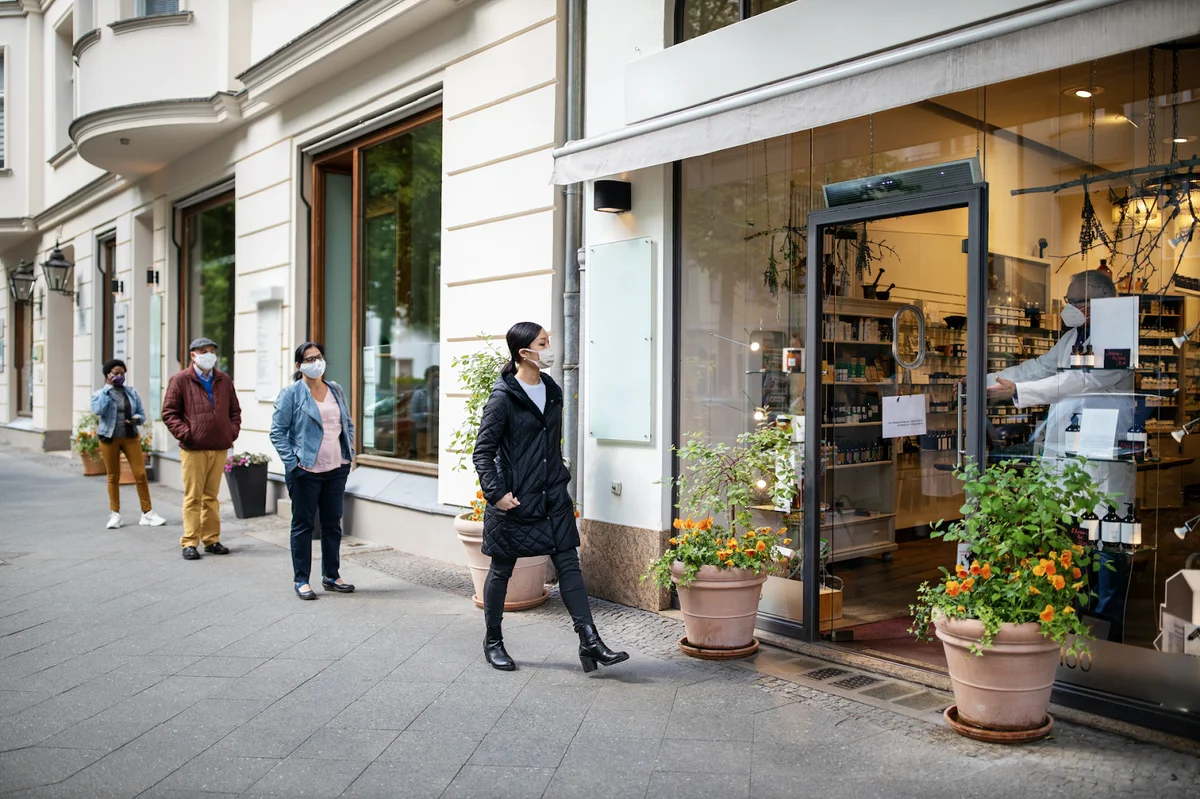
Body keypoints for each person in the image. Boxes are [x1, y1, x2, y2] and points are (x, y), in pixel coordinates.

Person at [473, 321, 628, 672]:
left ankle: (590, 641)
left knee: (569, 564)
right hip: (514, 499)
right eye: (543, 343)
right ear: (523, 353)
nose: (549, 347)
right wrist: (496, 494)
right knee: (501, 570)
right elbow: (483, 451)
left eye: (548, 341)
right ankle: (493, 640)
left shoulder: (552, 389)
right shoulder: (503, 398)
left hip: (553, 495)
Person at [985, 269, 1134, 504]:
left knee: (1099, 513)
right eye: (1068, 300)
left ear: (1101, 302)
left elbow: (1083, 380)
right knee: (1062, 515)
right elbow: (1039, 367)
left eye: (1076, 302)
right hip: (1067, 441)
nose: (1069, 308)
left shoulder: (1118, 339)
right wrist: (983, 381)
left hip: (1099, 442)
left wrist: (1017, 391)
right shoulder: (1073, 336)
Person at [269, 342, 356, 600]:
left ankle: (331, 575)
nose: (315, 362)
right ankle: (301, 580)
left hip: (335, 469)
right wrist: (293, 463)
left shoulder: (336, 389)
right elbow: (277, 433)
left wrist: (347, 456)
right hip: (305, 470)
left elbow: (347, 425)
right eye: (309, 359)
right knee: (303, 525)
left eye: (318, 357)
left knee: (332, 525)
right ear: (299, 365)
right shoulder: (291, 394)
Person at [162, 338, 241, 561]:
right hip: (194, 448)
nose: (209, 355)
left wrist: (231, 432)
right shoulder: (180, 380)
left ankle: (212, 539)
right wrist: (187, 434)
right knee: (193, 497)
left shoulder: (223, 380)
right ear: (193, 355)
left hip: (219, 446)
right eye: (203, 351)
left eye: (212, 351)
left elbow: (235, 410)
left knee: (212, 497)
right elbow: (169, 413)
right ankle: (189, 541)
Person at [90, 359, 167, 530]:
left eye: (122, 373)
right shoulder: (99, 394)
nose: (120, 376)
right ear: (108, 375)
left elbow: (141, 414)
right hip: (109, 438)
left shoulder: (131, 393)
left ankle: (147, 513)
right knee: (113, 476)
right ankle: (115, 514)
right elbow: (98, 411)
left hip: (129, 436)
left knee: (140, 474)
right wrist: (107, 389)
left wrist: (136, 418)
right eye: (116, 373)